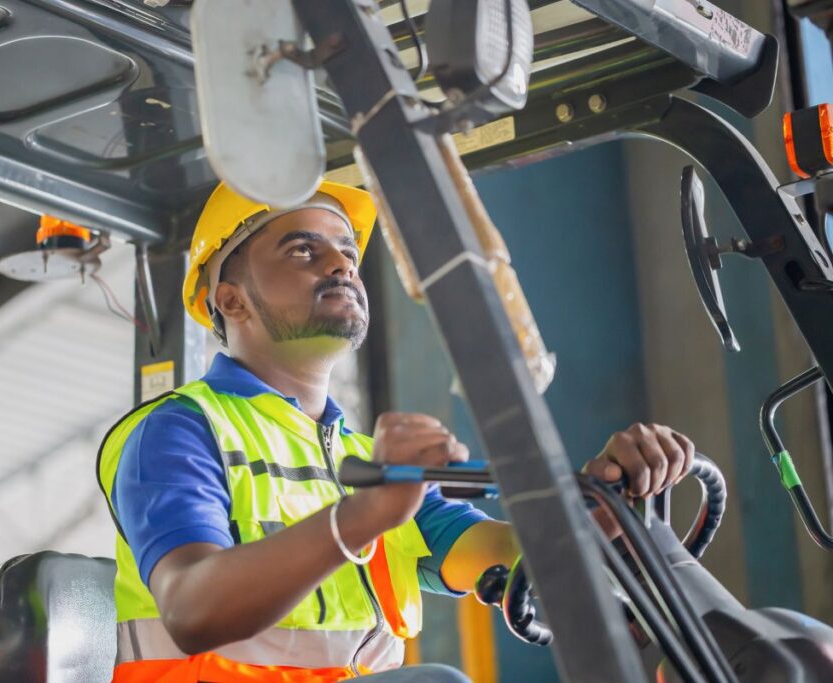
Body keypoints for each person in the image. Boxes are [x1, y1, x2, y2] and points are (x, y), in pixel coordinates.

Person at [97, 181, 696, 682]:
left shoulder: (366, 458)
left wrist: (607, 508)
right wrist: (361, 517)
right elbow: (192, 610)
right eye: (304, 251)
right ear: (232, 300)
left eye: (347, 254)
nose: (340, 265)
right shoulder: (178, 431)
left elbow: (505, 558)